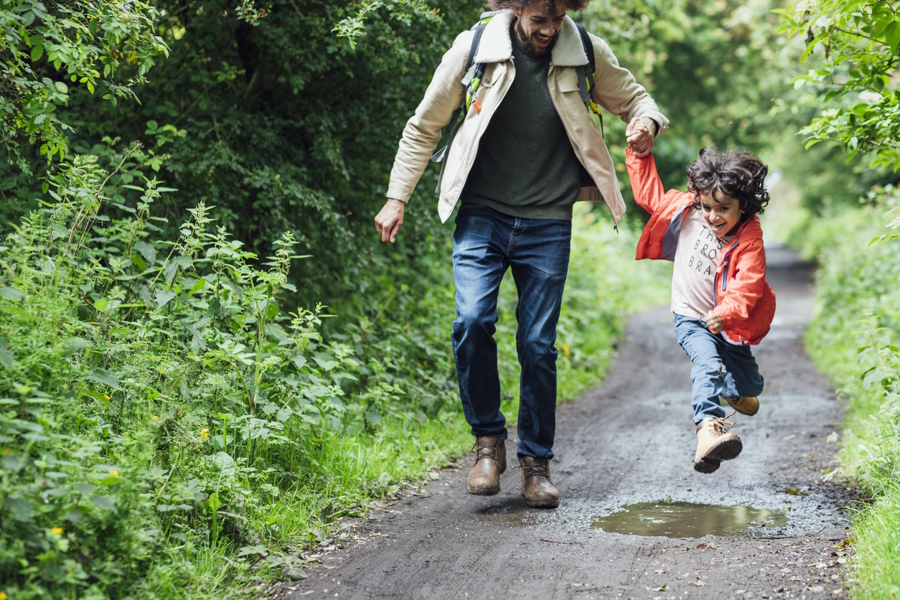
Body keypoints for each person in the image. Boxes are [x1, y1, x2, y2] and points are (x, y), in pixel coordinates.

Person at [374, 0, 667, 507]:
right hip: (482, 214)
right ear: (515, 9)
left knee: (537, 344)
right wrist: (397, 196)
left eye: (557, 20)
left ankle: (536, 464)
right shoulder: (476, 49)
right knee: (470, 321)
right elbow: (425, 124)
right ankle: (488, 443)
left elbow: (639, 101)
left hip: (548, 221)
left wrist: (646, 124)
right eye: (539, 21)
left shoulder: (586, 53)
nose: (549, 31)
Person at [625, 119, 776, 473]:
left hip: (728, 323)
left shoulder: (750, 241)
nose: (712, 216)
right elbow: (648, 193)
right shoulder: (689, 210)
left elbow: (749, 285)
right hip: (690, 318)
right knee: (706, 364)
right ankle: (708, 431)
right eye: (708, 206)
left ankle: (730, 386)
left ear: (744, 206)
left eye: (723, 209)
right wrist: (638, 153)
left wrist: (727, 312)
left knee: (751, 387)